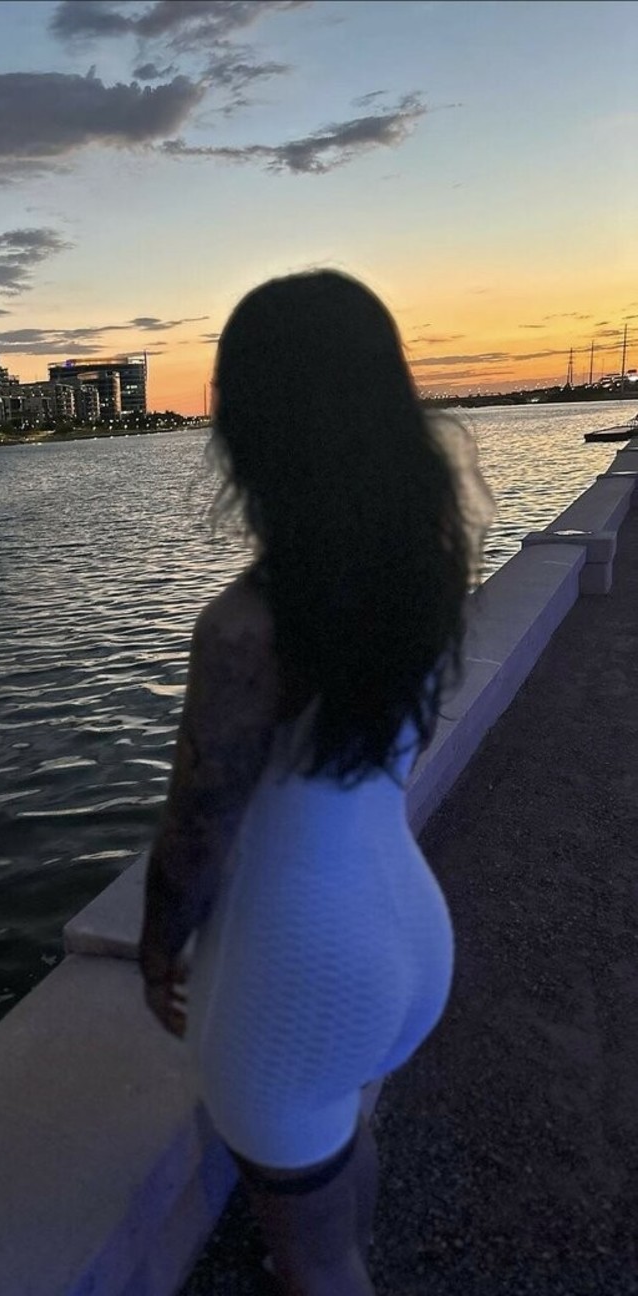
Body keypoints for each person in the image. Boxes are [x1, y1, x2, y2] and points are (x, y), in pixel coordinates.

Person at [139, 271, 491, 1295]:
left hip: (296, 972)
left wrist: (156, 949)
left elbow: (195, 835)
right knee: (340, 1157)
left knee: (318, 1266)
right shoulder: (423, 567)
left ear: (248, 429)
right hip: (404, 936)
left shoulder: (245, 628)